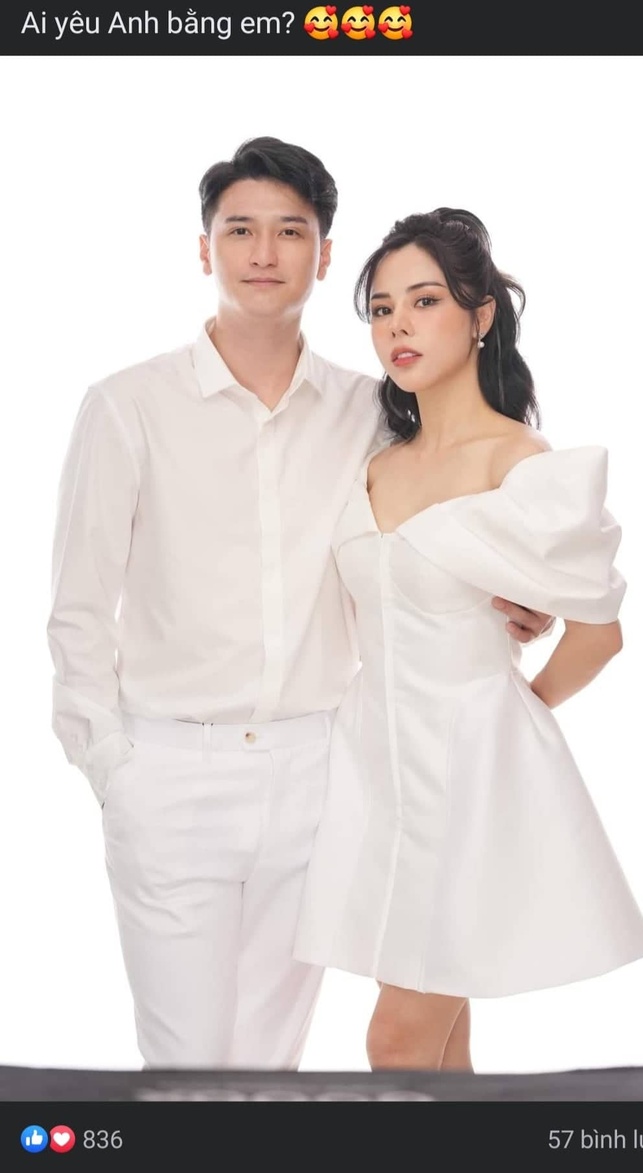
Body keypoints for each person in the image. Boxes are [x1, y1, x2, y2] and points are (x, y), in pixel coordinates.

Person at [47, 140, 552, 1071]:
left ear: (323, 256)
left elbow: (443, 517)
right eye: (240, 230)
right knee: (189, 1068)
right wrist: (113, 766)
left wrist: (521, 591)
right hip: (171, 770)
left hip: (321, 770)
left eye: (291, 231)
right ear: (206, 248)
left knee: (269, 1066)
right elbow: (78, 606)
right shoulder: (128, 406)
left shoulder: (371, 411)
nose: (264, 252)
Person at [293, 206, 643, 1071]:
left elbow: (599, 632)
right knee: (441, 1043)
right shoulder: (375, 461)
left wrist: (513, 711)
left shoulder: (517, 461)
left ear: (481, 315)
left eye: (425, 302)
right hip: (375, 767)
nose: (399, 327)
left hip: (467, 773)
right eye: (382, 309)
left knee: (397, 1036)